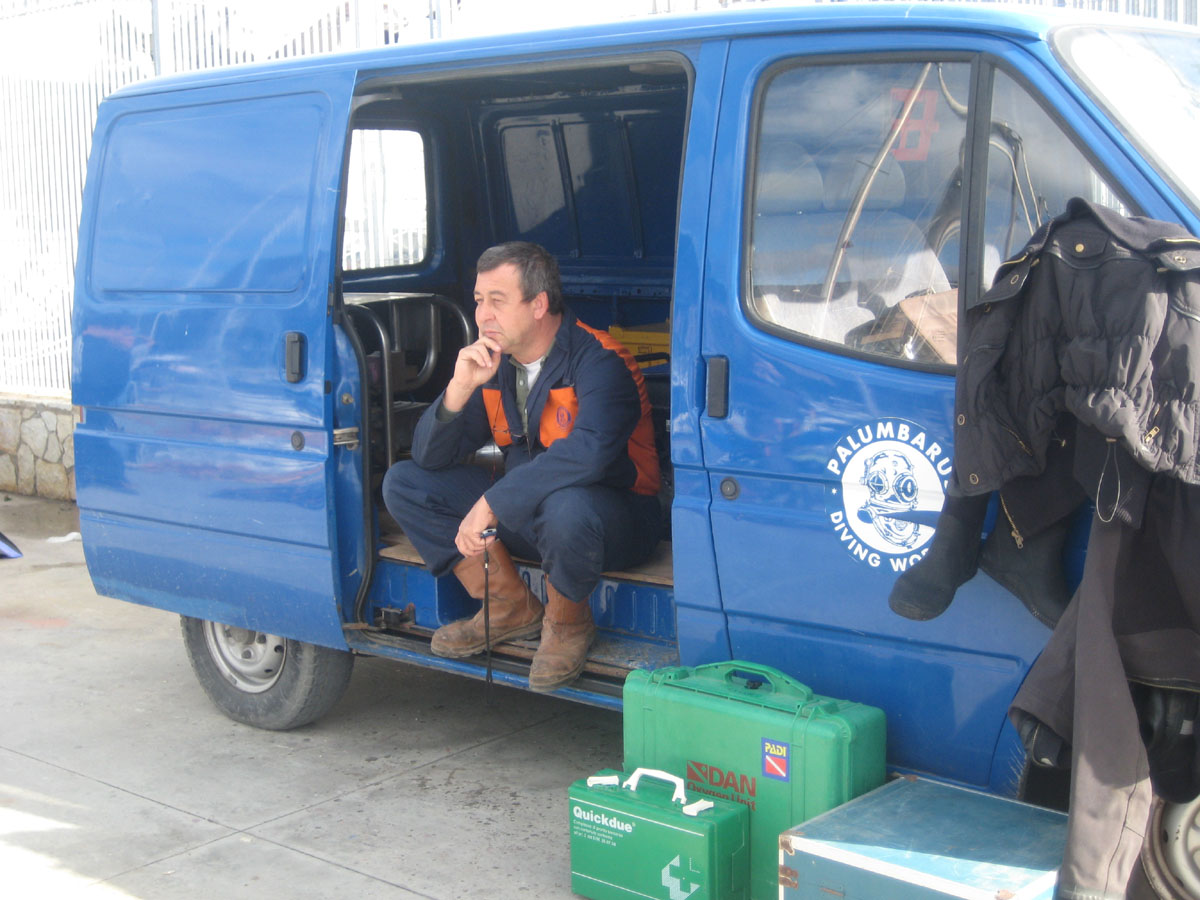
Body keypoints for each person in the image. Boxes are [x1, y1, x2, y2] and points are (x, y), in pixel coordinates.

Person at [382, 242, 662, 692]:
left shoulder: (601, 359)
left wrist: (491, 503)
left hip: (611, 521)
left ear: (539, 304)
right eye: (479, 300)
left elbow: (589, 453)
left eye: (497, 300)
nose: (483, 315)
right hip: (528, 513)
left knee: (567, 505)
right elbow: (430, 459)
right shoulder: (494, 364)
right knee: (405, 483)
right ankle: (509, 607)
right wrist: (458, 390)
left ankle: (568, 624)